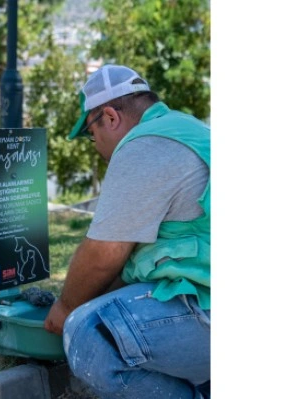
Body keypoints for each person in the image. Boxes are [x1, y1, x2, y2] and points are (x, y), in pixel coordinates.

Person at [43, 64, 211, 399]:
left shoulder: (144, 145)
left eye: (91, 134)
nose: (95, 145)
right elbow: (137, 260)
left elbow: (104, 255)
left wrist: (64, 309)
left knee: (89, 333)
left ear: (109, 117)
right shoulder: (188, 128)